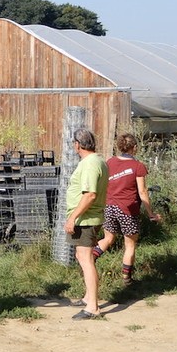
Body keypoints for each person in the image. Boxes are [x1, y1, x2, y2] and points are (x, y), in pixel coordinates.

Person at [91, 133, 161, 285]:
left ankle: (90, 260)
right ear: (134, 148)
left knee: (108, 238)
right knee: (129, 245)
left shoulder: (110, 162)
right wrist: (151, 213)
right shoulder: (138, 166)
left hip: (109, 207)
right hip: (128, 210)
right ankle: (127, 279)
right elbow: (142, 192)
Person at [65, 128, 109, 320]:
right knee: (81, 256)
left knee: (86, 259)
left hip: (86, 219)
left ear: (77, 144)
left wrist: (72, 217)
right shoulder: (96, 161)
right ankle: (88, 297)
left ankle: (93, 307)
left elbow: (90, 195)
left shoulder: (91, 164)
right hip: (87, 217)